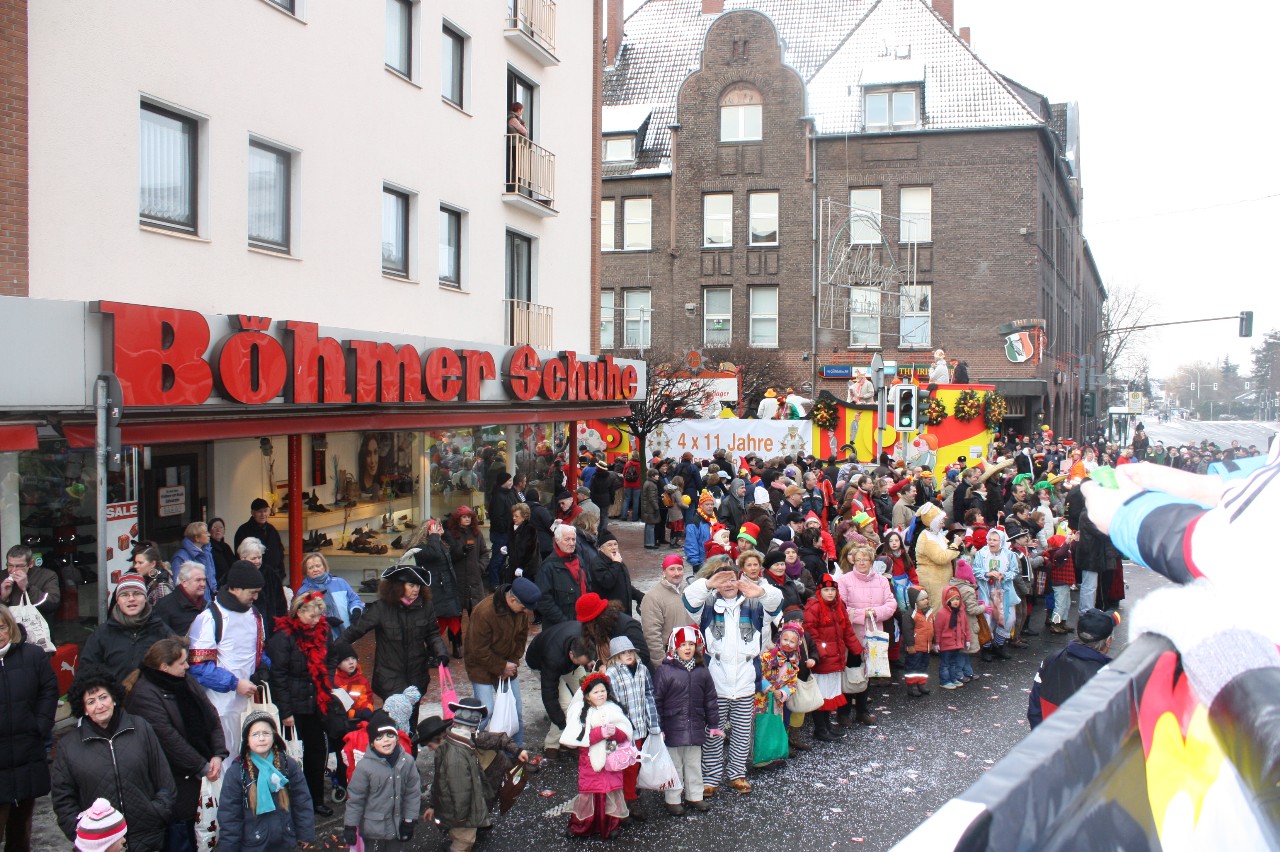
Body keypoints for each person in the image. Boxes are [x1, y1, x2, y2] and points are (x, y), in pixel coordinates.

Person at [682, 555, 782, 796]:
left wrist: (760, 591)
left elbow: (777, 603)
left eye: (731, 579)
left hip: (745, 679)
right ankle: (711, 777)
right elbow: (688, 599)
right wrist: (708, 584)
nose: (728, 585)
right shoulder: (707, 605)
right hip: (716, 680)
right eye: (722, 580)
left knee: (741, 732)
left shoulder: (755, 604)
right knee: (714, 732)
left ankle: (737, 774)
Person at [52, 667, 175, 852]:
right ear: (84, 709)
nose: (99, 705)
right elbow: (63, 799)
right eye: (91, 701)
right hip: (101, 845)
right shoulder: (69, 746)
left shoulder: (141, 728)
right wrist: (83, 833)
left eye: (103, 697)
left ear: (114, 698)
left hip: (148, 837)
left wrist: (157, 812)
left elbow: (164, 779)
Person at [123, 636, 227, 852]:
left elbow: (211, 715)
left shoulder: (185, 680)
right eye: (182, 663)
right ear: (164, 667)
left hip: (198, 772)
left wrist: (218, 753)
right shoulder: (144, 695)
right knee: (182, 837)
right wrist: (201, 766)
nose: (187, 666)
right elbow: (169, 739)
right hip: (175, 779)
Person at [340, 562, 449, 736]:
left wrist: (441, 652)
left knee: (411, 723)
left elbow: (432, 634)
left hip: (416, 675)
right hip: (389, 676)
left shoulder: (425, 606)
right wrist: (335, 650)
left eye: (418, 586)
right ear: (399, 586)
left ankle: (410, 750)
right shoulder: (381, 608)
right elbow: (355, 631)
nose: (416, 589)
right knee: (394, 723)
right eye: (411, 585)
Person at [266, 590, 336, 817]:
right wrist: (286, 711)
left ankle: (316, 799)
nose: (316, 620)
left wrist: (327, 681)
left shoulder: (324, 631)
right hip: (294, 705)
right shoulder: (284, 637)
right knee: (292, 754)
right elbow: (278, 676)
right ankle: (291, 800)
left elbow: (331, 658)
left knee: (316, 751)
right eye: (312, 616)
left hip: (316, 702)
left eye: (319, 616)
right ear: (298, 612)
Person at [188, 560, 269, 754]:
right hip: (220, 704)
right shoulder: (209, 618)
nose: (256, 597)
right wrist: (235, 683)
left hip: (250, 701)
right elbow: (199, 667)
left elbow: (259, 651)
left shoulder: (255, 615)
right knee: (226, 755)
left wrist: (264, 669)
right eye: (252, 592)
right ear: (236, 589)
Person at [0, 603, 58, 850]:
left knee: (20, 831)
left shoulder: (33, 655)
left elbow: (49, 689)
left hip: (26, 754)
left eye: (1, 627)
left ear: (10, 627)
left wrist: (40, 725)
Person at [217, 712, 315, 851]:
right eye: (255, 734)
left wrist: (305, 833)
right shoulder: (236, 772)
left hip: (285, 841)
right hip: (253, 845)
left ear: (274, 736)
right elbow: (229, 816)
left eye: (266, 733)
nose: (261, 738)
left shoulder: (288, 765)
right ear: (247, 740)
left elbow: (302, 800)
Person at [462, 578, 541, 747]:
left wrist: (511, 663)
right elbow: (478, 650)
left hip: (507, 665)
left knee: (515, 710)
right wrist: (501, 666)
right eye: (524, 607)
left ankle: (516, 750)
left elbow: (521, 639)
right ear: (512, 600)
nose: (527, 611)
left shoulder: (520, 612)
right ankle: (466, 746)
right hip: (480, 668)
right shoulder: (484, 612)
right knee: (486, 712)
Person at [651, 625, 718, 816]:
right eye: (683, 644)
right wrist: (658, 726)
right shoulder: (665, 671)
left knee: (694, 764)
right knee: (674, 766)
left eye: (691, 644)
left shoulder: (701, 671)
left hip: (695, 725)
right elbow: (656, 700)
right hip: (672, 727)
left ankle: (695, 795)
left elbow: (710, 698)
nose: (687, 648)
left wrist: (713, 723)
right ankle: (673, 799)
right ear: (675, 647)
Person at [560, 672, 633, 839]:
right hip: (590, 763)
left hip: (611, 761)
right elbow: (577, 739)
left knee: (611, 793)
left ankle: (611, 825)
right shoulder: (580, 712)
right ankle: (581, 826)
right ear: (587, 696)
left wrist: (615, 732)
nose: (600, 694)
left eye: (603, 691)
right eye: (596, 692)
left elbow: (625, 734)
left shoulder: (613, 709)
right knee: (589, 796)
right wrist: (600, 733)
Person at [342, 709, 420, 852]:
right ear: (372, 743)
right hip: (373, 828)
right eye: (379, 737)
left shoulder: (407, 762)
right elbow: (356, 798)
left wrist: (409, 820)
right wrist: (350, 826)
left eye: (390, 735)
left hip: (398, 826)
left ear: (397, 738)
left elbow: (412, 793)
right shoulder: (364, 767)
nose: (386, 740)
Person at [422, 699, 494, 852]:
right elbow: (460, 790)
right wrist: (461, 818)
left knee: (461, 838)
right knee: (464, 841)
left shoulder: (453, 749)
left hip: (457, 813)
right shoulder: (456, 753)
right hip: (461, 816)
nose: (430, 750)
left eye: (429, 746)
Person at [1027, 609, 1118, 728]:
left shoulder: (1051, 659)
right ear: (1108, 641)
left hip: (1046, 735)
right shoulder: (1106, 676)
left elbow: (1035, 708)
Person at [604, 637, 660, 822]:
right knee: (621, 765)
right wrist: (621, 725)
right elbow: (613, 701)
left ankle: (629, 798)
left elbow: (649, 694)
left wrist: (653, 722)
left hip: (640, 727)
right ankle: (619, 803)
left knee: (634, 765)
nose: (628, 655)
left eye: (630, 652)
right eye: (623, 653)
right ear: (616, 657)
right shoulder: (612, 673)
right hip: (623, 730)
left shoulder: (642, 669)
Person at [80, 573, 173, 683]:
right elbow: (87, 670)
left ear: (145, 598)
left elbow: (176, 666)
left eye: (137, 593)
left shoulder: (161, 630)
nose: (131, 599)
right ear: (118, 601)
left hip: (151, 693)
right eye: (125, 595)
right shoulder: (102, 634)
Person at [805, 574, 864, 741]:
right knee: (821, 695)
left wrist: (856, 649)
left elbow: (847, 630)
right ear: (820, 591)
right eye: (826, 590)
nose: (830, 593)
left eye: (832, 589)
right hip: (823, 659)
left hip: (836, 657)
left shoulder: (838, 606)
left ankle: (827, 726)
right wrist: (821, 653)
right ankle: (820, 729)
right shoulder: (814, 608)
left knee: (830, 693)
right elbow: (811, 633)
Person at [234, 500, 287, 622]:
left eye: (265, 511)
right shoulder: (243, 531)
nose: (263, 514)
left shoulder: (272, 530)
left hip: (272, 577)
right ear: (253, 513)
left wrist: (280, 574)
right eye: (259, 512)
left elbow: (280, 553)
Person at [973, 528, 1021, 662]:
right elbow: (975, 570)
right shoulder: (981, 553)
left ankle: (999, 645)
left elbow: (1014, 571)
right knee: (987, 619)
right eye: (989, 539)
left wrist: (1003, 575)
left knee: (1008, 619)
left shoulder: (1009, 555)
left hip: (1003, 591)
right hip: (986, 591)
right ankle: (986, 648)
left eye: (995, 540)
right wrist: (987, 574)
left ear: (1001, 541)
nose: (991, 542)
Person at [295, 552, 363, 641]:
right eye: (311, 567)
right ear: (306, 572)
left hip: (347, 633)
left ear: (324, 567)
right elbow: (301, 616)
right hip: (319, 637)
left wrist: (356, 610)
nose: (315, 569)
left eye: (318, 566)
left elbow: (354, 599)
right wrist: (325, 620)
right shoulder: (303, 592)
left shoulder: (340, 582)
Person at [639, 554, 693, 665]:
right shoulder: (653, 597)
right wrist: (662, 665)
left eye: (679, 569)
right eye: (672, 569)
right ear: (664, 572)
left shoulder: (690, 592)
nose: (676, 573)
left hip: (691, 655)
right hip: (670, 658)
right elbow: (652, 636)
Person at [536, 524, 590, 626]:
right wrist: (564, 622)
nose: (571, 543)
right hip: (559, 626)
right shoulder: (548, 567)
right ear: (557, 540)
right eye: (567, 539)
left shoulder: (579, 560)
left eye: (573, 539)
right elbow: (543, 600)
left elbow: (588, 586)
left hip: (581, 620)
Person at [443, 506, 490, 615]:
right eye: (464, 517)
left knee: (476, 613)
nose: (467, 519)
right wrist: (462, 551)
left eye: (469, 517)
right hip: (458, 578)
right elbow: (449, 556)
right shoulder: (451, 535)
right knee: (457, 615)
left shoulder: (477, 534)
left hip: (475, 578)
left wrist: (480, 567)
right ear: (458, 518)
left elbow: (484, 553)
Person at [2, 544, 60, 620]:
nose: (13, 570)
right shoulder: (2, 576)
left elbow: (52, 605)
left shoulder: (47, 576)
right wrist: (3, 598)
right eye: (10, 565)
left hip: (36, 625)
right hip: (7, 625)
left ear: (31, 563)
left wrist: (28, 588)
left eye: (19, 566)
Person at [152, 561, 208, 637]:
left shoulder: (207, 606)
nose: (203, 584)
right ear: (184, 583)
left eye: (204, 580)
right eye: (198, 580)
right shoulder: (165, 606)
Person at [591, 531, 641, 616]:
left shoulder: (616, 560)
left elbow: (623, 584)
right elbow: (607, 582)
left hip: (623, 611)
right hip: (609, 614)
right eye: (609, 545)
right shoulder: (598, 563)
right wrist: (616, 564)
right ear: (601, 549)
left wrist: (639, 595)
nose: (614, 547)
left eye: (615, 544)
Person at [935, 585, 972, 690]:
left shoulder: (961, 612)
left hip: (957, 643)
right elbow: (938, 629)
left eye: (957, 599)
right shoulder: (942, 613)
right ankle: (944, 681)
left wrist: (968, 639)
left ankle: (953, 678)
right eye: (952, 600)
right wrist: (937, 642)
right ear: (947, 601)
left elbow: (966, 627)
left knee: (953, 663)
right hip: (946, 643)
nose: (955, 602)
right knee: (945, 664)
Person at [486, 471, 519, 589]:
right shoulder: (498, 497)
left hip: (508, 532)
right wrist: (506, 528)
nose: (511, 482)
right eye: (509, 480)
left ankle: (501, 581)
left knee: (504, 558)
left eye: (511, 480)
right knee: (498, 558)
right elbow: (497, 517)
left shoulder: (510, 494)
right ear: (503, 482)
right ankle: (494, 583)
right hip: (500, 533)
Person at [900, 586, 933, 696]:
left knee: (923, 666)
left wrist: (934, 642)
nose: (926, 601)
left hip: (926, 646)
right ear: (915, 601)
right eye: (922, 599)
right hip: (915, 646)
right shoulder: (910, 615)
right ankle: (912, 685)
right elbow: (907, 631)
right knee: (913, 666)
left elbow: (932, 628)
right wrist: (910, 645)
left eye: (926, 598)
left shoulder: (929, 612)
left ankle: (921, 683)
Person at [170, 522, 217, 601]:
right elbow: (178, 584)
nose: (209, 534)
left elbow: (212, 577)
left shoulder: (207, 553)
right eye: (205, 532)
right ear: (196, 538)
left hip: (209, 600)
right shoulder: (180, 557)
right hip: (192, 602)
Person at [506, 502, 541, 584]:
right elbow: (512, 545)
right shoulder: (512, 527)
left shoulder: (530, 530)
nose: (514, 518)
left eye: (516, 516)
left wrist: (522, 568)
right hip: (514, 566)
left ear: (524, 517)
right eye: (513, 516)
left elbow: (530, 552)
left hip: (527, 570)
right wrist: (507, 548)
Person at [208, 517, 236, 590]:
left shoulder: (226, 547)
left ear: (224, 531)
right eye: (215, 527)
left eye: (221, 527)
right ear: (209, 531)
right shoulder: (208, 549)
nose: (218, 530)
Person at [640, 468, 664, 549]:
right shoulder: (652, 484)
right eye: (656, 475)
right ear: (652, 476)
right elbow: (652, 498)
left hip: (647, 507)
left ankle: (648, 542)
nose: (658, 476)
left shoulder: (647, 482)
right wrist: (656, 508)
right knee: (651, 526)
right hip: (650, 508)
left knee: (648, 525)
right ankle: (650, 543)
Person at [621, 453, 643, 522]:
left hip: (627, 484)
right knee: (636, 501)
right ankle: (634, 517)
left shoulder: (627, 463)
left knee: (626, 500)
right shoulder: (640, 465)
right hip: (637, 485)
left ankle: (624, 516)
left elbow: (624, 474)